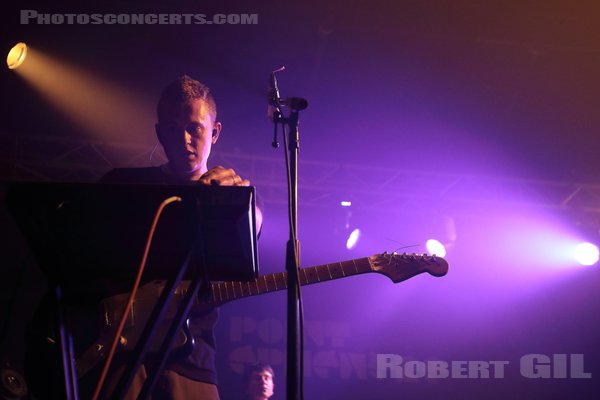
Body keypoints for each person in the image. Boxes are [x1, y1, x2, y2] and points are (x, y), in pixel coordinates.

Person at [25, 75, 261, 400]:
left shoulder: (233, 193)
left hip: (192, 358)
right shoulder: (122, 184)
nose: (184, 139)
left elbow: (254, 227)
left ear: (215, 132)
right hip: (118, 353)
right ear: (159, 132)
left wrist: (237, 201)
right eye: (171, 129)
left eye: (195, 128)